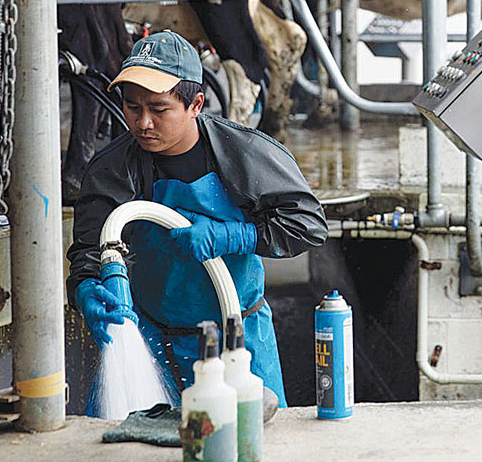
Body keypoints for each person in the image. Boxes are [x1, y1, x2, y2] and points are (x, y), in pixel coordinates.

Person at [66, 31, 326, 407]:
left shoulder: (246, 153)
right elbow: (91, 249)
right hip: (155, 340)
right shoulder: (113, 168)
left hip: (239, 337)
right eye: (132, 107)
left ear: (195, 105)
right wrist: (88, 289)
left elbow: (309, 224)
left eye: (158, 109)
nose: (143, 123)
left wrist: (234, 236)